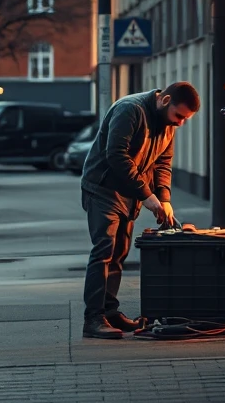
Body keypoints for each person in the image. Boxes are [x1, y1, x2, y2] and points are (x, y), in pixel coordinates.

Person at [79, 82, 200, 339]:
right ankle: (93, 319)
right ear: (165, 100)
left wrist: (164, 198)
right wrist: (147, 195)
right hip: (103, 188)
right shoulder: (129, 110)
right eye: (179, 116)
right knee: (104, 251)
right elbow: (116, 155)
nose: (180, 124)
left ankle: (110, 313)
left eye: (185, 119)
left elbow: (163, 164)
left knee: (119, 254)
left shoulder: (168, 126)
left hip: (128, 194)